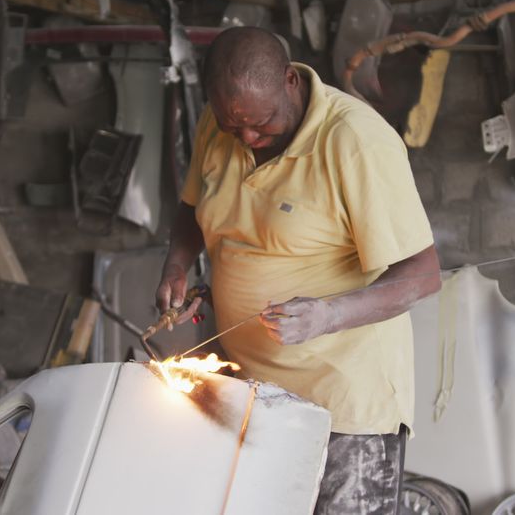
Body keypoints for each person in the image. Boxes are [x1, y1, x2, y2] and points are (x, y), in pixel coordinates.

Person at [156, 26, 441, 514]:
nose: (246, 136)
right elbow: (192, 209)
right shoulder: (221, 119)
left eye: (261, 124)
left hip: (343, 411)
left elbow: (423, 274)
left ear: (290, 81)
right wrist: (178, 266)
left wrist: (328, 315)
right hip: (249, 395)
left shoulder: (355, 141)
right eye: (233, 126)